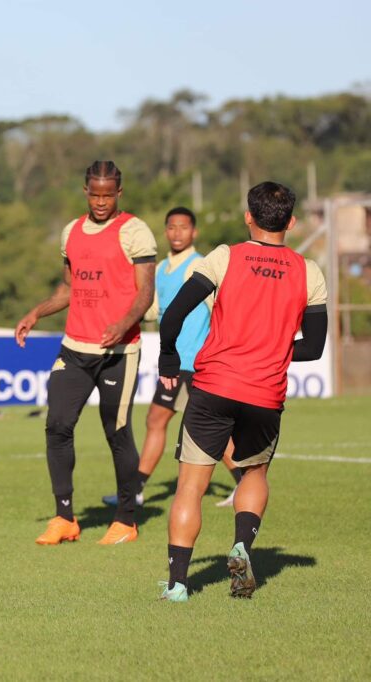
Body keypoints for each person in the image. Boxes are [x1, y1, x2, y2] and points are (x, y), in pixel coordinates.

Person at [157, 181, 327, 602]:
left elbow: (173, 315)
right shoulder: (309, 271)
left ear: (248, 217)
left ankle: (179, 584)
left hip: (214, 387)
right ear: (291, 221)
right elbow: (315, 347)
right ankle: (241, 546)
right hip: (265, 394)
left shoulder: (225, 257)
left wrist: (166, 359)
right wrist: (270, 350)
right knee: (254, 473)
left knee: (190, 488)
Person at [15, 160, 157, 545]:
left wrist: (124, 323)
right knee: (57, 425)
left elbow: (146, 291)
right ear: (85, 191)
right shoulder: (71, 233)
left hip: (119, 351)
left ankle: (126, 520)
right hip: (74, 349)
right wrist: (36, 312)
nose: (100, 201)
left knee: (118, 432)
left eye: (107, 195)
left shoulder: (134, 232)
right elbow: (68, 289)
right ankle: (65, 518)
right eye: (94, 194)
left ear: (118, 193)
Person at [101, 207, 240, 509]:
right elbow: (154, 311)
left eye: (183, 227)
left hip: (191, 361)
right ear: (165, 231)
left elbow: (219, 308)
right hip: (177, 362)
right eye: (171, 227)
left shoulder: (200, 266)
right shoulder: (162, 267)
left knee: (159, 419)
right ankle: (244, 482)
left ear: (194, 232)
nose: (177, 233)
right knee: (196, 425)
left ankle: (135, 489)